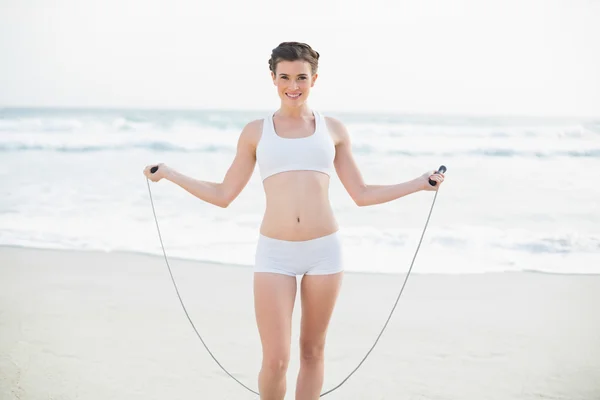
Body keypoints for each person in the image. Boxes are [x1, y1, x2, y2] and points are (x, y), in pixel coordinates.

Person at [143, 41, 445, 400]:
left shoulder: (332, 130)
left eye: (301, 77)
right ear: (272, 78)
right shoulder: (256, 132)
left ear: (314, 79)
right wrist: (171, 174)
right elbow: (224, 194)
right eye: (285, 77)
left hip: (324, 252)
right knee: (276, 360)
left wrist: (418, 184)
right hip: (274, 254)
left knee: (313, 352)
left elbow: (361, 193)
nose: (293, 85)